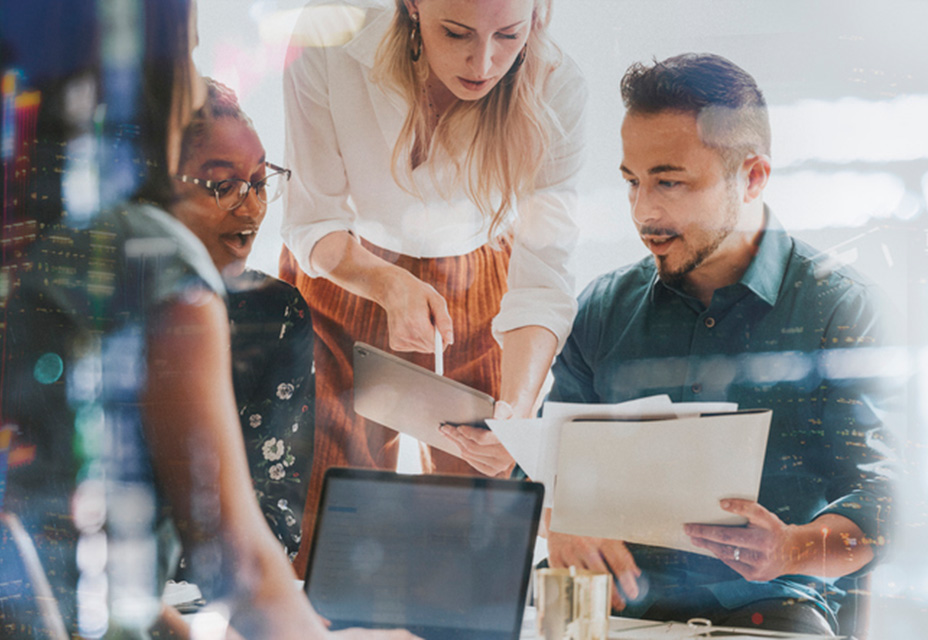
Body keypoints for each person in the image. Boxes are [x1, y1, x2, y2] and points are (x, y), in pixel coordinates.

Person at [0, 1, 417, 638]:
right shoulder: (153, 263)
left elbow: (56, 542)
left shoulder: (31, 238)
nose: (196, 86)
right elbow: (242, 566)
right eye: (188, 52)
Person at [543, 53, 899, 635]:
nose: (643, 212)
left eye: (670, 182)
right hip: (609, 607)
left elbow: (887, 499)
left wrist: (793, 549)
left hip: (768, 609)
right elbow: (545, 463)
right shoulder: (602, 308)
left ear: (753, 177)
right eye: (632, 182)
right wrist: (559, 518)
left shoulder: (842, 308)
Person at [281, 0, 586, 573]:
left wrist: (517, 414)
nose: (483, 61)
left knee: (480, 547)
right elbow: (310, 221)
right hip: (342, 274)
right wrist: (385, 282)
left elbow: (543, 279)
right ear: (411, 6)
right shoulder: (330, 31)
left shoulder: (558, 87)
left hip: (484, 292)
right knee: (320, 535)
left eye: (509, 35)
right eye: (456, 32)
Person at [170, 77, 314, 563]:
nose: (251, 208)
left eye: (258, 182)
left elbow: (277, 517)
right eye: (223, 185)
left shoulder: (276, 313)